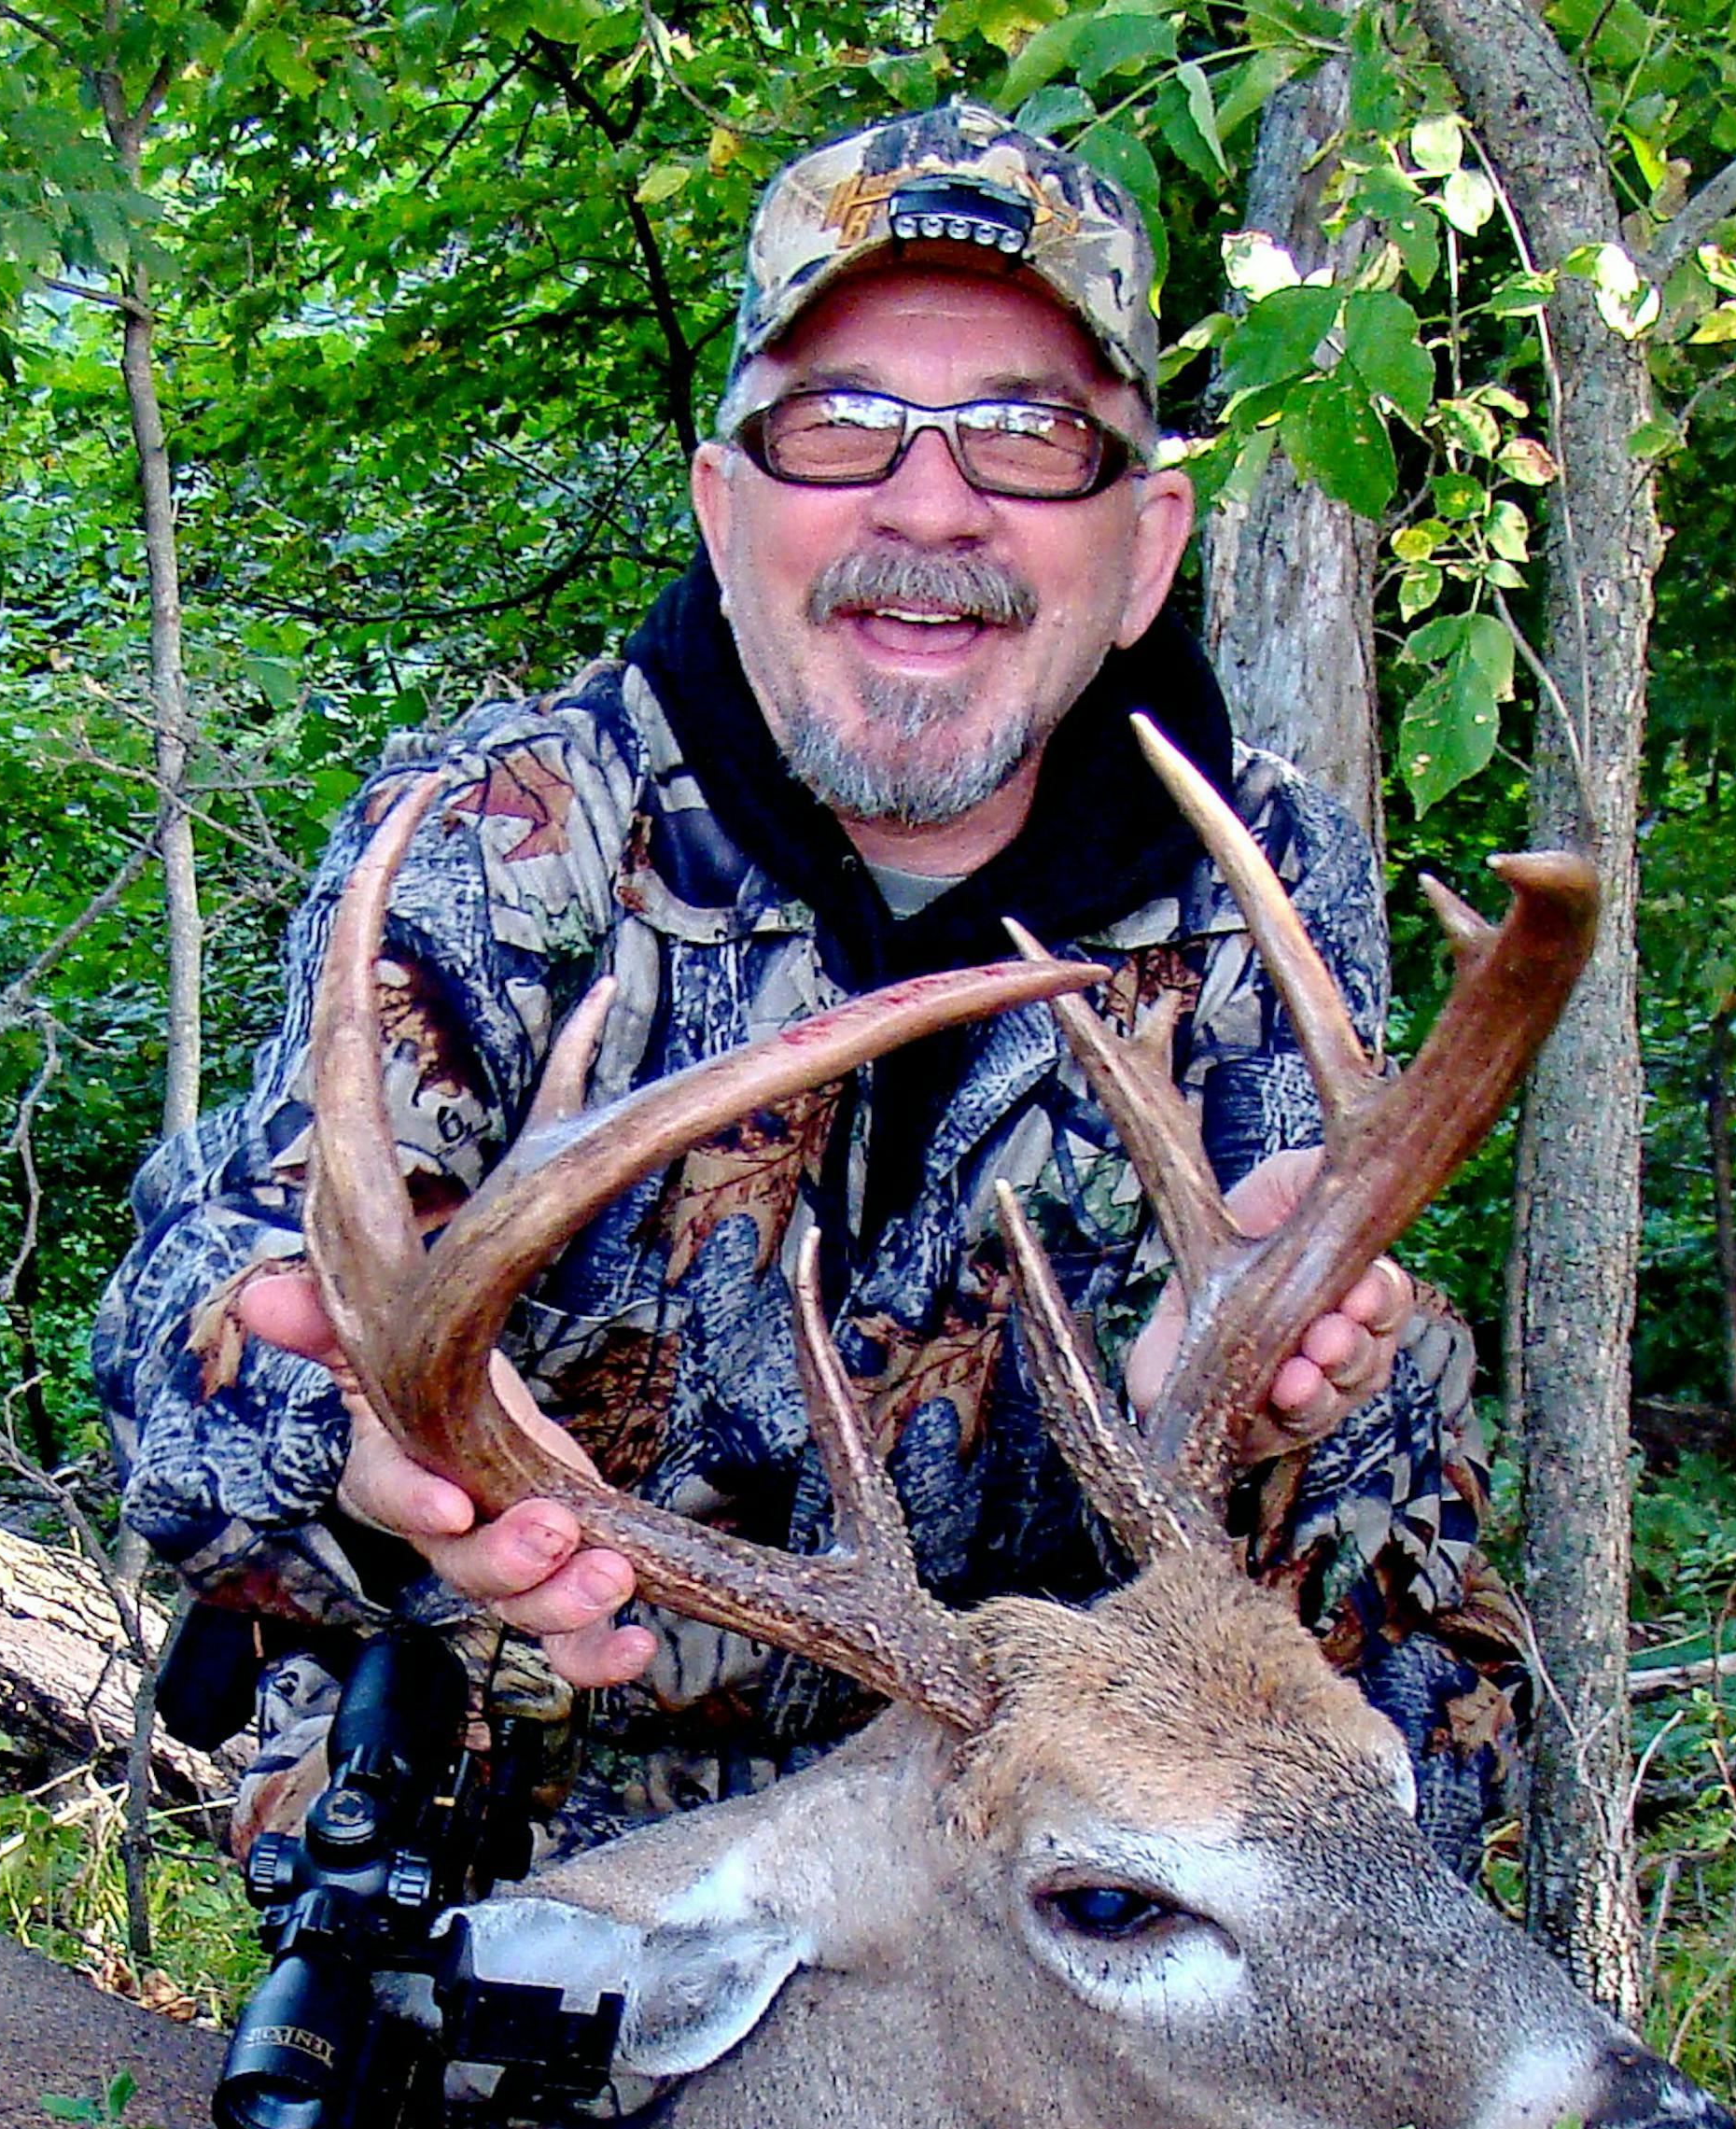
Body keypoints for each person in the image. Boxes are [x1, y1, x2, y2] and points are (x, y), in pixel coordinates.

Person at [95, 104, 1519, 1870]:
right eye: (841, 428)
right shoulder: (502, 839)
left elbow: (1275, 1367)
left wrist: (1226, 1389)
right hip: (565, 1833)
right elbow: (198, 1302)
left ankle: (1366, 2056)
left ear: (1149, 543)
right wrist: (358, 1446)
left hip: (1025, 1839)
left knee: (1390, 1373)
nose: (929, 506)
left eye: (1026, 436)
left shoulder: (1259, 878)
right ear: (723, 500)